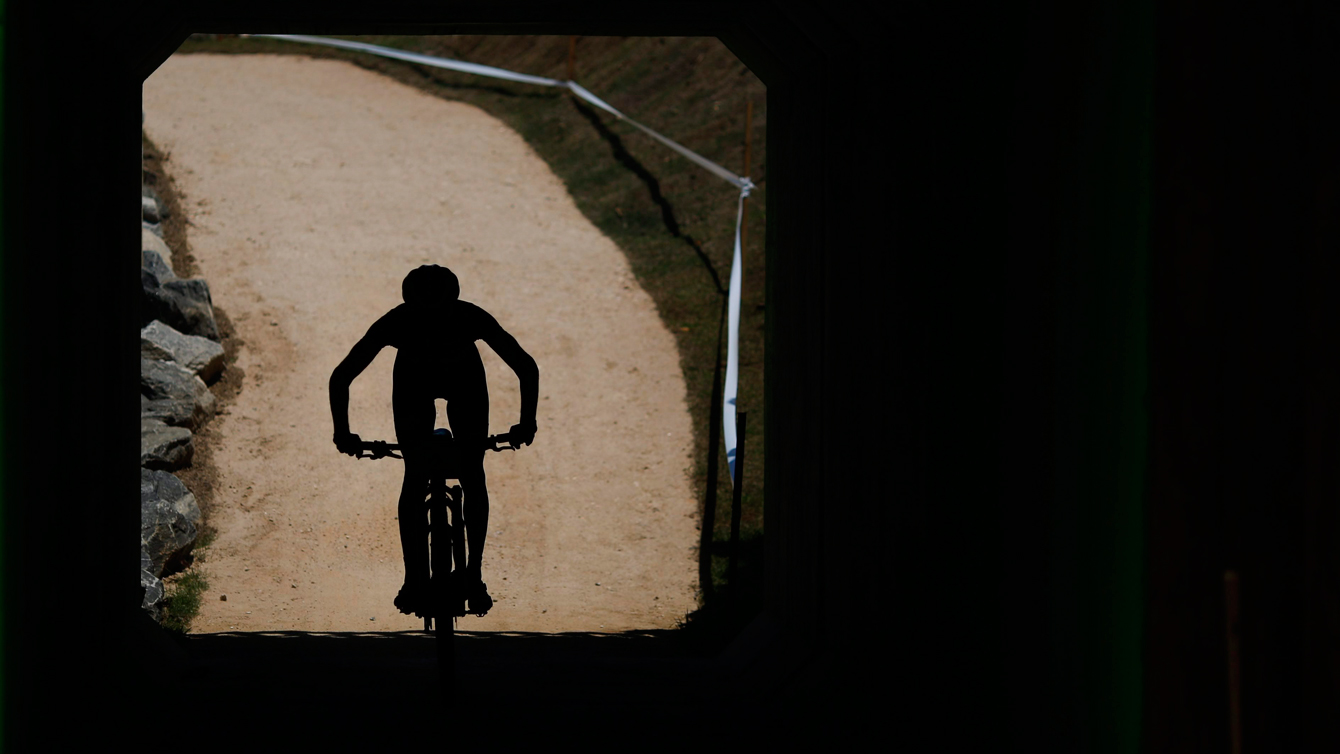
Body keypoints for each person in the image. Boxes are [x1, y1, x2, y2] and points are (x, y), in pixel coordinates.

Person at [328, 264, 538, 618]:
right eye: (424, 314)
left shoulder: (401, 320)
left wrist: (344, 433)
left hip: (450, 385)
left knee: (440, 474)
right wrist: (525, 422)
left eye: (437, 313)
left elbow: (342, 376)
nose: (431, 322)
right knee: (464, 474)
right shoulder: (464, 316)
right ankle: (459, 577)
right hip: (426, 386)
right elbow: (525, 366)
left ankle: (449, 577)